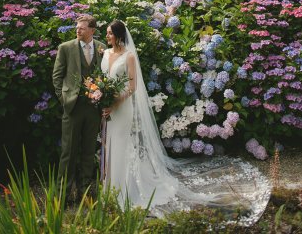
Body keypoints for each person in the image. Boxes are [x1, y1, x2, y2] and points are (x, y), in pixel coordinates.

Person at [101, 19, 271, 226]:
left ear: (119, 36)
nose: (107, 36)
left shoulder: (128, 57)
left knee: (122, 144)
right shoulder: (105, 53)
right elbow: (102, 79)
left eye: (110, 33)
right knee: (110, 144)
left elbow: (132, 86)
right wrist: (100, 96)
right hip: (106, 108)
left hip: (122, 107)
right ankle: (110, 187)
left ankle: (126, 188)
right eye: (106, 33)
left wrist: (116, 102)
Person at [52, 14, 106, 198]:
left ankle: (84, 192)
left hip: (93, 108)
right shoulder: (65, 48)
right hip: (73, 107)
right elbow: (57, 76)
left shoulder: (102, 48)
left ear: (92, 30)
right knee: (68, 152)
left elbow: (105, 76)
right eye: (77, 27)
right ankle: (63, 195)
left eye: (82, 28)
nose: (77, 30)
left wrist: (102, 97)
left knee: (89, 151)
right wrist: (63, 98)